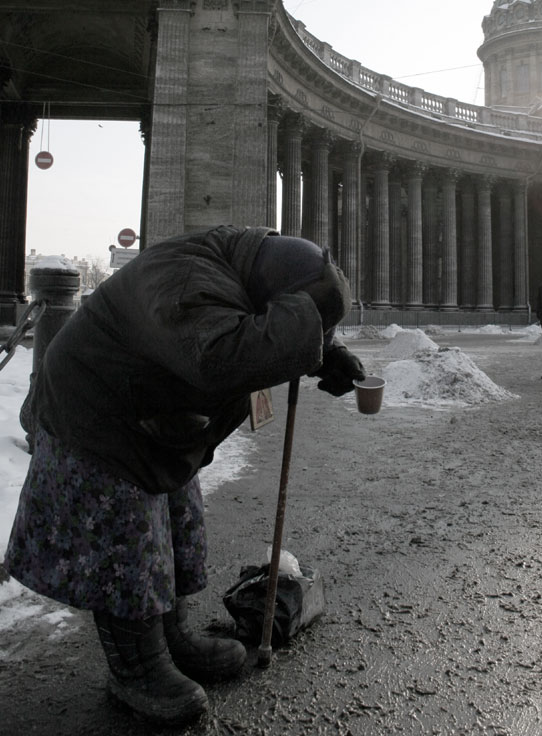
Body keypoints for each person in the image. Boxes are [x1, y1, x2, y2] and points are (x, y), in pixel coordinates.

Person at [5, 226, 365, 725]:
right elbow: (219, 358)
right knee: (126, 541)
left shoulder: (244, 265)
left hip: (148, 414)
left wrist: (324, 346)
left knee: (176, 522)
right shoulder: (186, 278)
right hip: (95, 413)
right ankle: (137, 667)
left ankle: (172, 637)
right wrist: (303, 331)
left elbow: (277, 305)